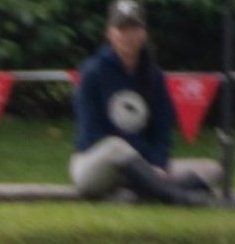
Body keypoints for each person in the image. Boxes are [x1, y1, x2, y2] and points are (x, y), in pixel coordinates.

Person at [71, 0, 215, 207]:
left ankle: (147, 189)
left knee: (211, 170)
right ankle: (174, 197)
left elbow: (162, 130)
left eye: (134, 29)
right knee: (116, 146)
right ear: (109, 33)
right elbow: (91, 134)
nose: (128, 36)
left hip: (144, 167)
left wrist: (157, 164)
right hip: (95, 163)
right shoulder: (92, 73)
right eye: (122, 29)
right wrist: (141, 160)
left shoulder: (153, 75)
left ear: (143, 33)